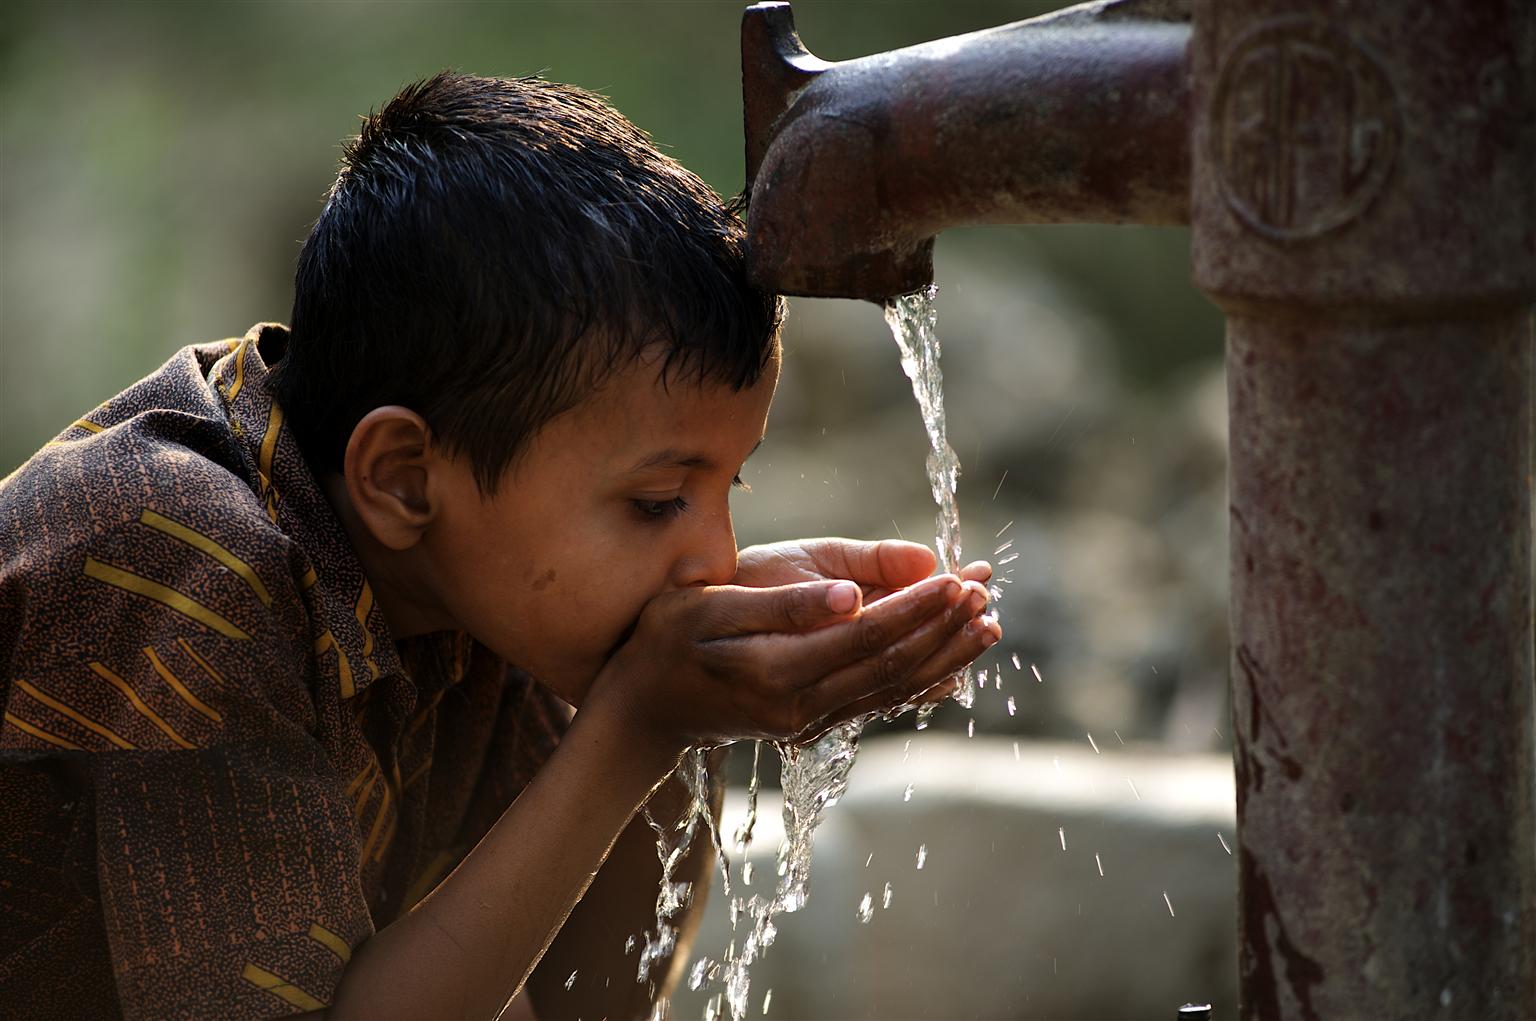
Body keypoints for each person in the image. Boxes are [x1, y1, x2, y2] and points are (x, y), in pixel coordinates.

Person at [0, 72, 999, 1020]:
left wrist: (698, 692)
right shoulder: (181, 562)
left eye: (724, 488)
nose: (714, 559)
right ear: (400, 476)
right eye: (657, 500)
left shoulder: (459, 581)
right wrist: (638, 726)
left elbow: (544, 997)